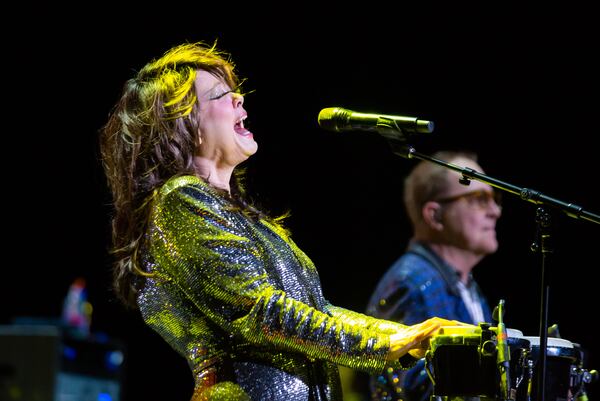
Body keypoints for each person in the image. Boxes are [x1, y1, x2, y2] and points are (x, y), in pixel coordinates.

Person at [99, 41, 468, 401]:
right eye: (220, 95)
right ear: (184, 122)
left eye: (235, 91)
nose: (239, 99)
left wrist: (407, 335)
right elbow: (260, 311)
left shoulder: (244, 219)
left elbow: (317, 311)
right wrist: (382, 343)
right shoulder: (181, 199)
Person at [365, 150, 501, 401]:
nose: (495, 211)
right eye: (479, 198)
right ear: (434, 215)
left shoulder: (467, 285)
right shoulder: (412, 283)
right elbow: (420, 390)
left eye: (494, 198)